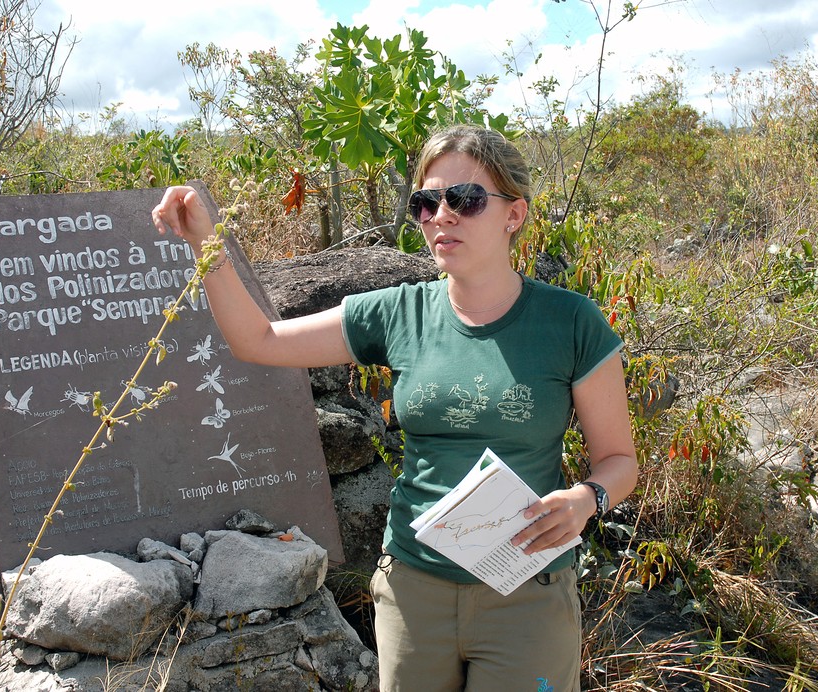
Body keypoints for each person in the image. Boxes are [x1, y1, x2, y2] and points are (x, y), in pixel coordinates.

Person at [152, 124, 638, 692]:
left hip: (526, 593)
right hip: (414, 590)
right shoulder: (398, 313)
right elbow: (258, 341)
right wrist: (205, 246)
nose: (442, 215)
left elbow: (619, 460)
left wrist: (587, 498)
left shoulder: (572, 322)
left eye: (466, 199)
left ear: (514, 214)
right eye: (427, 202)